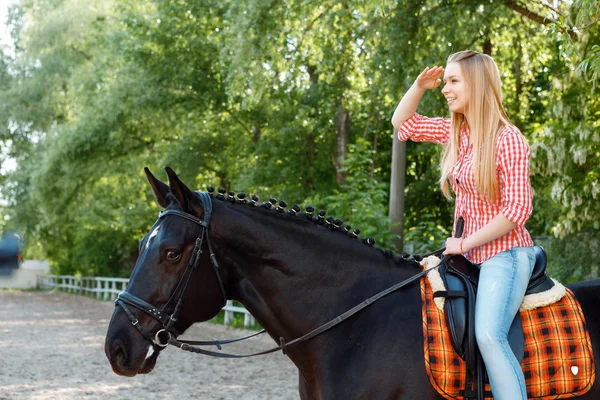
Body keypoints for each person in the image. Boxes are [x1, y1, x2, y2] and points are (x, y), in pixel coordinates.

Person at [391, 50, 536, 400]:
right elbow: (403, 124)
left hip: (507, 253)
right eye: (446, 81)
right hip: (467, 253)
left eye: (454, 81)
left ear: (477, 85)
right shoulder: (458, 132)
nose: (446, 89)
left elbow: (518, 209)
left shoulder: (508, 139)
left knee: (489, 334)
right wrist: (418, 86)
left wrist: (466, 243)